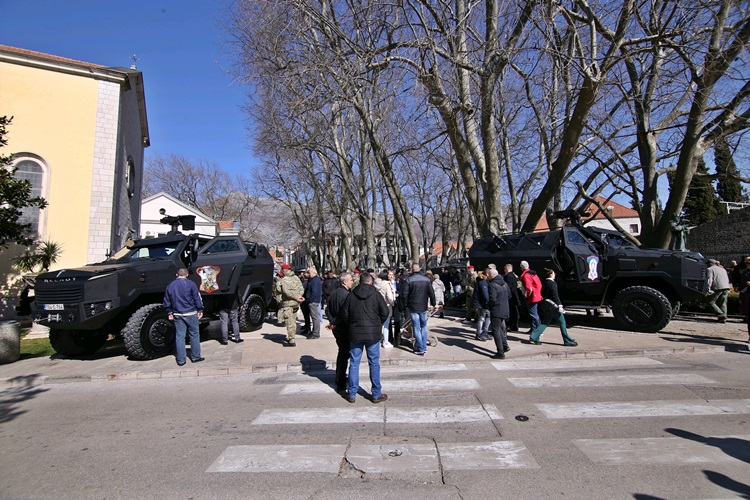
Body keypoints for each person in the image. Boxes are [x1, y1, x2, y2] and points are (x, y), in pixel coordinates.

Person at [334, 272, 389, 403]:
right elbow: (385, 312)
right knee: (374, 363)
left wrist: (352, 324)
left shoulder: (351, 295)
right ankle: (376, 393)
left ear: (360, 282)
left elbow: (344, 314)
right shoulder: (376, 295)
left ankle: (352, 393)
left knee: (354, 363)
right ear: (370, 282)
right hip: (372, 333)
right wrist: (377, 324)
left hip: (355, 333)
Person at [163, 268, 204, 366]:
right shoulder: (191, 284)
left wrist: (169, 312)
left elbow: (166, 300)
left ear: (177, 275)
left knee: (180, 336)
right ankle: (195, 357)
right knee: (194, 334)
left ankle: (181, 360)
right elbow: (197, 298)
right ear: (187, 275)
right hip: (191, 312)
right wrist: (200, 309)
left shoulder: (170, 285)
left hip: (177, 313)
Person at [528, 269, 578, 346]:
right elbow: (555, 295)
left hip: (545, 305)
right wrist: (560, 305)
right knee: (562, 322)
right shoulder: (552, 283)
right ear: (551, 274)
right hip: (553, 306)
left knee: (545, 322)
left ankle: (534, 336)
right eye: (554, 273)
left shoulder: (544, 282)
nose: (555, 275)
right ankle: (567, 340)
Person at [400, 263, 436, 355]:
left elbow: (405, 294)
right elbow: (431, 293)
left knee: (416, 327)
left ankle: (420, 348)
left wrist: (405, 305)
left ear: (412, 269)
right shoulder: (426, 280)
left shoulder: (409, 280)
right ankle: (423, 346)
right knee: (424, 326)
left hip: (413, 306)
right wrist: (433, 303)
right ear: (419, 269)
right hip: (423, 306)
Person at [326, 272, 353, 392]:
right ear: (344, 282)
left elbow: (327, 310)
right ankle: (341, 380)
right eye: (350, 280)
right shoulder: (346, 295)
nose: (352, 281)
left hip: (337, 328)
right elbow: (344, 313)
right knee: (344, 354)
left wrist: (332, 322)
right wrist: (334, 322)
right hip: (343, 328)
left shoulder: (334, 293)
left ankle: (339, 376)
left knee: (342, 353)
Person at [275, 263, 305, 347]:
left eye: (282, 270)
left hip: (288, 303)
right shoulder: (296, 278)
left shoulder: (284, 280)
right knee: (293, 321)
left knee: (289, 322)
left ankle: (291, 340)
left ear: (284, 270)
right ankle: (292, 337)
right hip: (296, 303)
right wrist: (299, 296)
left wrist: (278, 282)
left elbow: (284, 291)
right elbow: (301, 289)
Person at [486, 268, 511, 358]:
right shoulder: (504, 283)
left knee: (496, 330)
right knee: (499, 328)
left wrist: (489, 305)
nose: (488, 276)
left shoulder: (492, 285)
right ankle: (505, 345)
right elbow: (509, 295)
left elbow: (492, 299)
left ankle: (500, 352)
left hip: (496, 310)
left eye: (488, 274)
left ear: (491, 275)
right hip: (505, 308)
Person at [519, 261, 543, 332]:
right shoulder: (533, 274)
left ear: (522, 267)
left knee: (533, 314)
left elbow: (529, 288)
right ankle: (533, 328)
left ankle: (539, 329)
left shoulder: (526, 275)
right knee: (535, 312)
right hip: (537, 295)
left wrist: (526, 295)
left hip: (532, 297)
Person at [374, 270, 396, 348]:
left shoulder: (376, 284)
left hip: (377, 306)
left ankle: (379, 340)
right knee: (386, 325)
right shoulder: (387, 285)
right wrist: (392, 302)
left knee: (379, 324)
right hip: (386, 305)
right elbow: (390, 297)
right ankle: (385, 342)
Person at [471, 269, 491, 341]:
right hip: (481, 303)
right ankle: (479, 333)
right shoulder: (483, 282)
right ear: (487, 274)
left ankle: (484, 332)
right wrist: (488, 302)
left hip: (481, 302)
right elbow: (485, 293)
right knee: (482, 317)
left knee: (487, 316)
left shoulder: (482, 280)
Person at [304, 267, 323, 339]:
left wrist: (310, 300)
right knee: (314, 317)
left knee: (315, 318)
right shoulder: (313, 279)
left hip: (313, 302)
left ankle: (316, 333)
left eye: (309, 273)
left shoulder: (315, 280)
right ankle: (314, 331)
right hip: (312, 301)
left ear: (312, 273)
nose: (308, 274)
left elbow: (314, 292)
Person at [503, 263, 523, 332]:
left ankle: (511, 326)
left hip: (510, 297)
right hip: (514, 296)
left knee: (511, 312)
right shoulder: (515, 276)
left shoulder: (508, 276)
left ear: (506, 268)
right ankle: (514, 326)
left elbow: (507, 287)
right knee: (514, 312)